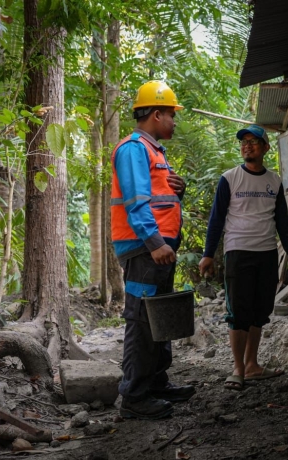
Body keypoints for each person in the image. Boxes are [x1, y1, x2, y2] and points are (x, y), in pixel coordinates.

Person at [111, 80, 195, 419]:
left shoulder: (154, 151)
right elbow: (135, 203)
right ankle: (134, 397)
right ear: (156, 114)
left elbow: (160, 201)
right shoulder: (133, 149)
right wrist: (155, 243)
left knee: (159, 317)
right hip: (145, 249)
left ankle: (156, 383)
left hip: (158, 249)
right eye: (172, 115)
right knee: (142, 320)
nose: (175, 121)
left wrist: (180, 190)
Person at [199, 124, 288, 391]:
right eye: (244, 142)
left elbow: (281, 218)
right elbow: (216, 220)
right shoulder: (230, 179)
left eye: (254, 141)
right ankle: (237, 369)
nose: (248, 145)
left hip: (267, 253)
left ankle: (253, 365)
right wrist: (208, 254)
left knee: (260, 311)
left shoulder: (274, 181)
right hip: (238, 252)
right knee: (238, 312)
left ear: (266, 147)